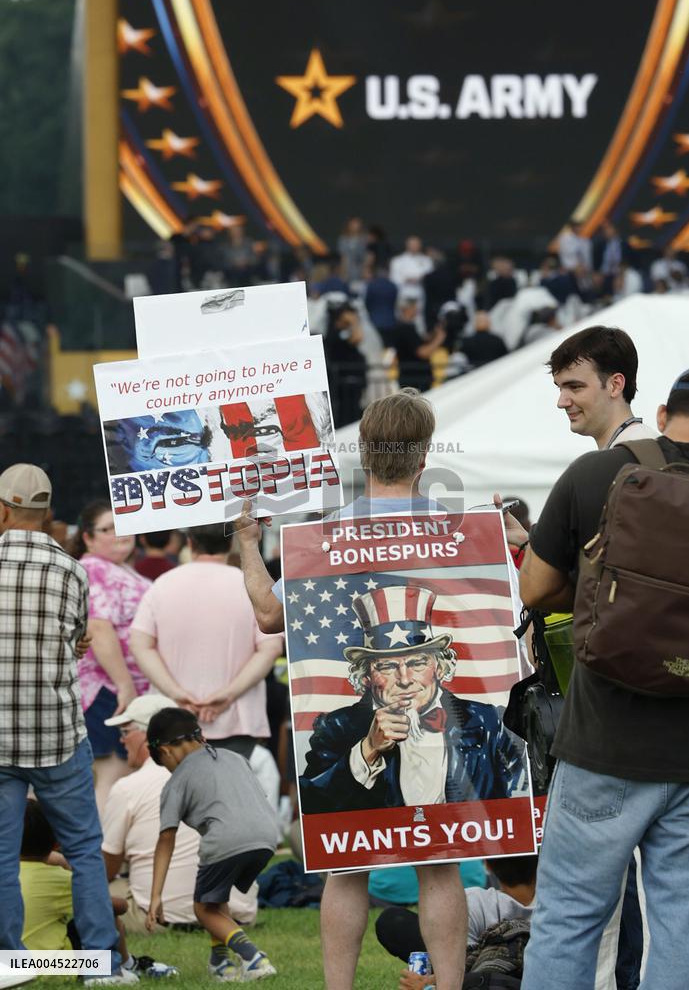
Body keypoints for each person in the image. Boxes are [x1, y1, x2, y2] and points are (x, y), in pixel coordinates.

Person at [236, 389, 469, 990]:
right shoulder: (462, 533)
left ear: (363, 454)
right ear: (422, 459)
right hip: (369, 739)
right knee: (438, 870)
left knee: (346, 870)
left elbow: (267, 613)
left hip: (370, 733)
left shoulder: (327, 535)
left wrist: (244, 540)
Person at [504, 372, 689, 990]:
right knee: (682, 925)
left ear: (662, 413)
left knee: (570, 917)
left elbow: (534, 588)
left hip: (605, 736)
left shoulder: (596, 474)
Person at [0, 465, 128, 983]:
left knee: (3, 857)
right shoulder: (73, 570)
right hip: (56, 733)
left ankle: (11, 964)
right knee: (81, 850)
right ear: (47, 513)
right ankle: (101, 963)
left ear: (2, 509)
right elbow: (76, 639)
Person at [300, 584, 527, 814]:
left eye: (417, 663)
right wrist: (367, 750)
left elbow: (522, 804)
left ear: (439, 667)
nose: (405, 679)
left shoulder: (490, 723)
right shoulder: (337, 727)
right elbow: (312, 807)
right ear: (367, 676)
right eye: (387, 667)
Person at [101, 694, 260, 935]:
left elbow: (107, 868)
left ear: (147, 736)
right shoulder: (230, 771)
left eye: (125, 732)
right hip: (236, 916)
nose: (122, 741)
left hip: (163, 919)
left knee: (95, 892)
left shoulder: (129, 788)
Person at [129, 524, 282, 766]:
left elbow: (139, 643)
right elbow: (270, 648)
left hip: (173, 719)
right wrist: (228, 694)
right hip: (237, 718)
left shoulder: (161, 585)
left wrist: (176, 694)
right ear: (231, 543)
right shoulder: (250, 588)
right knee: (231, 793)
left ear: (190, 543)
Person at [146, 708, 278, 982]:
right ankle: (221, 963)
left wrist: (156, 896)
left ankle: (253, 958)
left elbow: (165, 838)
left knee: (203, 909)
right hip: (267, 836)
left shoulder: (177, 781)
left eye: (162, 762)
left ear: (165, 751)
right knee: (215, 897)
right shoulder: (236, 758)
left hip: (225, 841)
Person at [20, 799, 176, 977]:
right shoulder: (59, 880)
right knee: (104, 912)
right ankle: (126, 965)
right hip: (48, 968)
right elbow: (118, 906)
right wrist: (68, 865)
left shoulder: (7, 878)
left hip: (9, 965)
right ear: (58, 843)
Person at [69, 500, 151, 816]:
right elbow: (99, 628)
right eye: (108, 528)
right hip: (109, 691)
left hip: (125, 689)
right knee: (113, 775)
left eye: (125, 525)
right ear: (88, 537)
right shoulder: (93, 568)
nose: (120, 534)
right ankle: (103, 862)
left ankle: (112, 860)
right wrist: (124, 685)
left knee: (125, 775)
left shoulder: (119, 569)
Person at [376, 855, 537, 968]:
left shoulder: (472, 900)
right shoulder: (557, 901)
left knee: (393, 921)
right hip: (533, 969)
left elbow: (461, 962)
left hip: (477, 972)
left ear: (487, 865)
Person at [548, 325, 656, 450]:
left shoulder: (637, 454)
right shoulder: (638, 448)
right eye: (560, 388)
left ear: (615, 385)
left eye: (575, 387)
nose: (561, 403)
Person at [389, 298, 446, 392]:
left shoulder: (405, 327)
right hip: (415, 380)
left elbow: (416, 344)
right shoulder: (405, 329)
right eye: (414, 307)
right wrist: (439, 338)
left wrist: (432, 335)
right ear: (407, 309)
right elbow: (422, 352)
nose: (417, 310)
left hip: (414, 378)